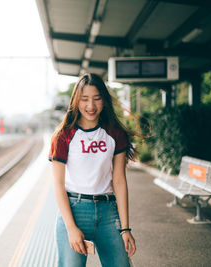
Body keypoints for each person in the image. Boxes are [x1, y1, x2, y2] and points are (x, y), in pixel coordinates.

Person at [49, 73, 136, 267]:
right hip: (75, 210)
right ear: (75, 101)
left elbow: (119, 180)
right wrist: (71, 228)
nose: (91, 106)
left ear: (104, 100)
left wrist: (125, 228)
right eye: (84, 99)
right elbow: (57, 184)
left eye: (97, 98)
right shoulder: (63, 136)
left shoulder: (114, 133)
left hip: (108, 213)